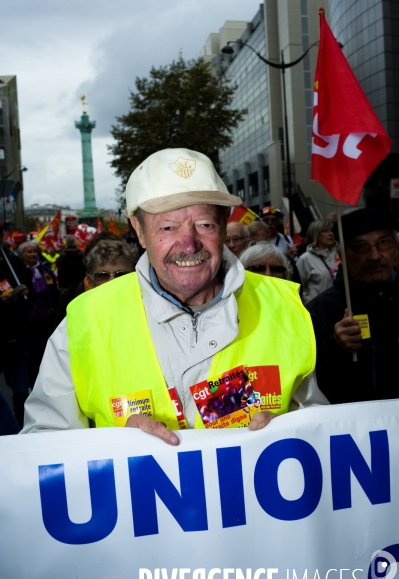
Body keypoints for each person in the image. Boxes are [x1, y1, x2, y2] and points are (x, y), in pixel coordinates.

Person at [22, 148, 328, 441]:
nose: (188, 243)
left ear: (223, 225)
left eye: (204, 224)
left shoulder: (286, 309)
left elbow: (325, 433)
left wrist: (291, 434)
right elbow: (43, 446)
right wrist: (110, 448)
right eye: (167, 227)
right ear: (139, 231)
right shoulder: (84, 322)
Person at [307, 208, 399, 404]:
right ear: (343, 255)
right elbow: (305, 386)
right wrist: (334, 348)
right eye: (361, 247)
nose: (375, 256)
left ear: (396, 249)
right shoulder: (319, 309)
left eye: (383, 243)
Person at [0, 225, 32, 426]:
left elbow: (31, 298)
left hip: (15, 339)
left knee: (22, 390)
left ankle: (21, 428)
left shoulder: (13, 262)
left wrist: (23, 294)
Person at [17, 241, 58, 387]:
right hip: (28, 322)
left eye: (34, 251)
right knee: (32, 358)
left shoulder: (45, 270)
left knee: (46, 356)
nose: (33, 254)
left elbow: (53, 292)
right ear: (21, 255)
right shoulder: (19, 273)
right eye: (29, 252)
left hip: (46, 320)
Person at [297, 219, 340, 305]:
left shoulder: (340, 254)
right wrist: (308, 301)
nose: (330, 233)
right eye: (325, 231)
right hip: (318, 308)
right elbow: (299, 287)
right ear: (315, 235)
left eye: (331, 230)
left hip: (339, 305)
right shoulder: (305, 259)